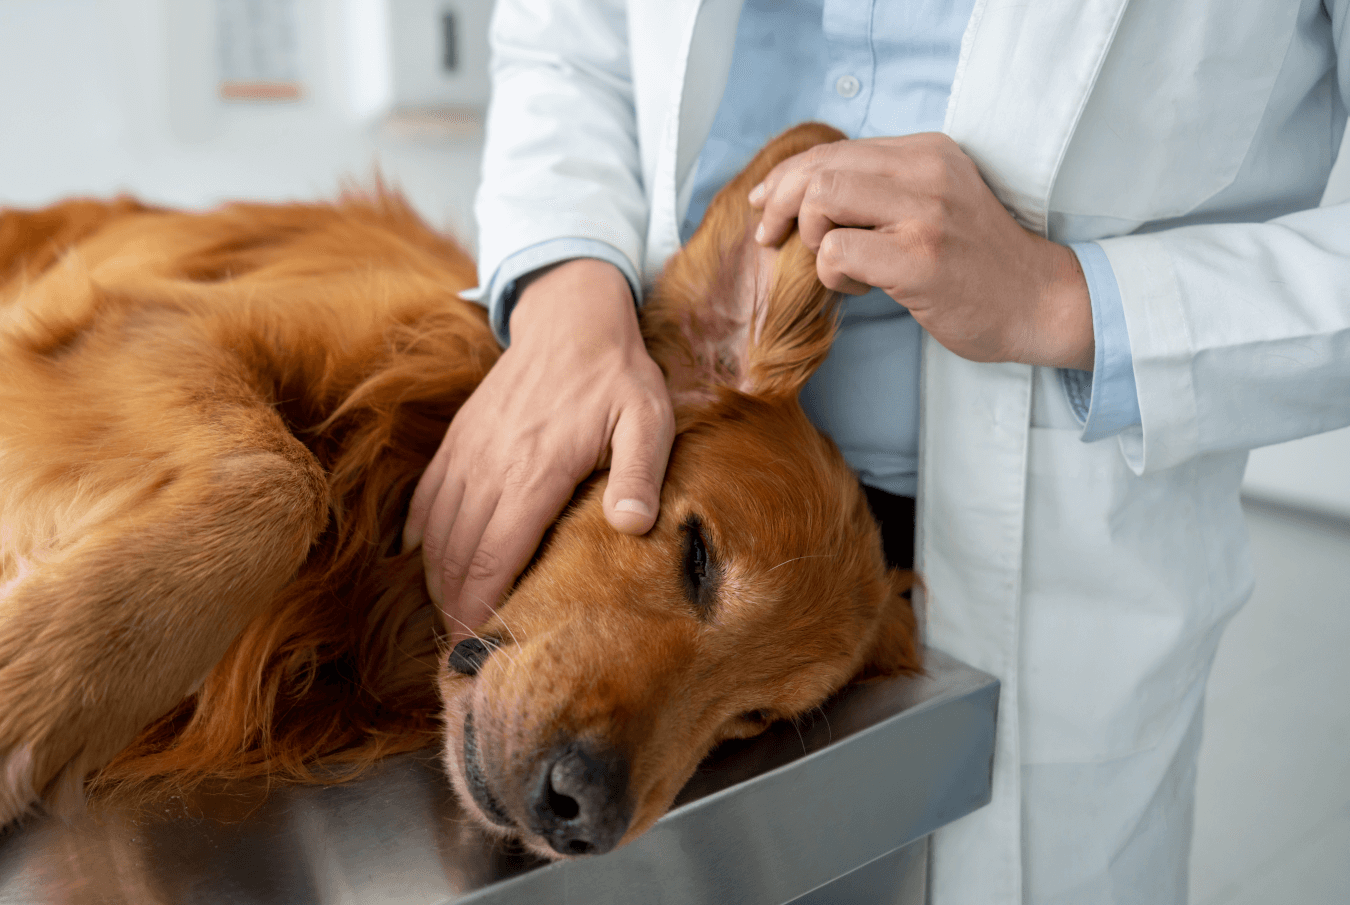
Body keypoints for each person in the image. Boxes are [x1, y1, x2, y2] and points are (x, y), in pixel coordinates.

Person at [402, 1, 1350, 902]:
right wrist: (567, 282)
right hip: (654, 386)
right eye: (695, 566)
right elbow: (570, 30)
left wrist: (1069, 300)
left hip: (1046, 557)